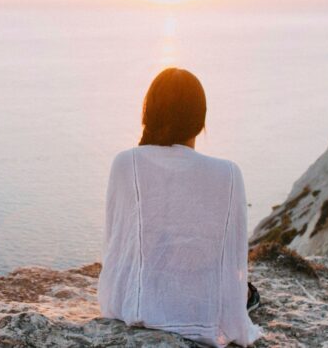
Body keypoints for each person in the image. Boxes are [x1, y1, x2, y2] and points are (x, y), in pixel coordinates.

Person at [97, 68, 262, 347]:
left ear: (148, 113)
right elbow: (233, 256)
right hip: (202, 308)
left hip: (136, 306)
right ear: (199, 120)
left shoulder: (125, 163)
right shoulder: (229, 174)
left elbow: (116, 247)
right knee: (246, 293)